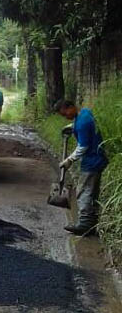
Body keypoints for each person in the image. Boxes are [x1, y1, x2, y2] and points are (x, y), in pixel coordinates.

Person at [54, 100, 108, 235]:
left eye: (65, 113)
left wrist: (69, 160)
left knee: (84, 192)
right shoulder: (85, 113)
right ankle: (92, 223)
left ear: (71, 107)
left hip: (91, 161)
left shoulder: (82, 123)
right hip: (98, 158)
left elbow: (83, 146)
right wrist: (72, 126)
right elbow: (87, 127)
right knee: (92, 192)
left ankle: (84, 224)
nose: (65, 116)